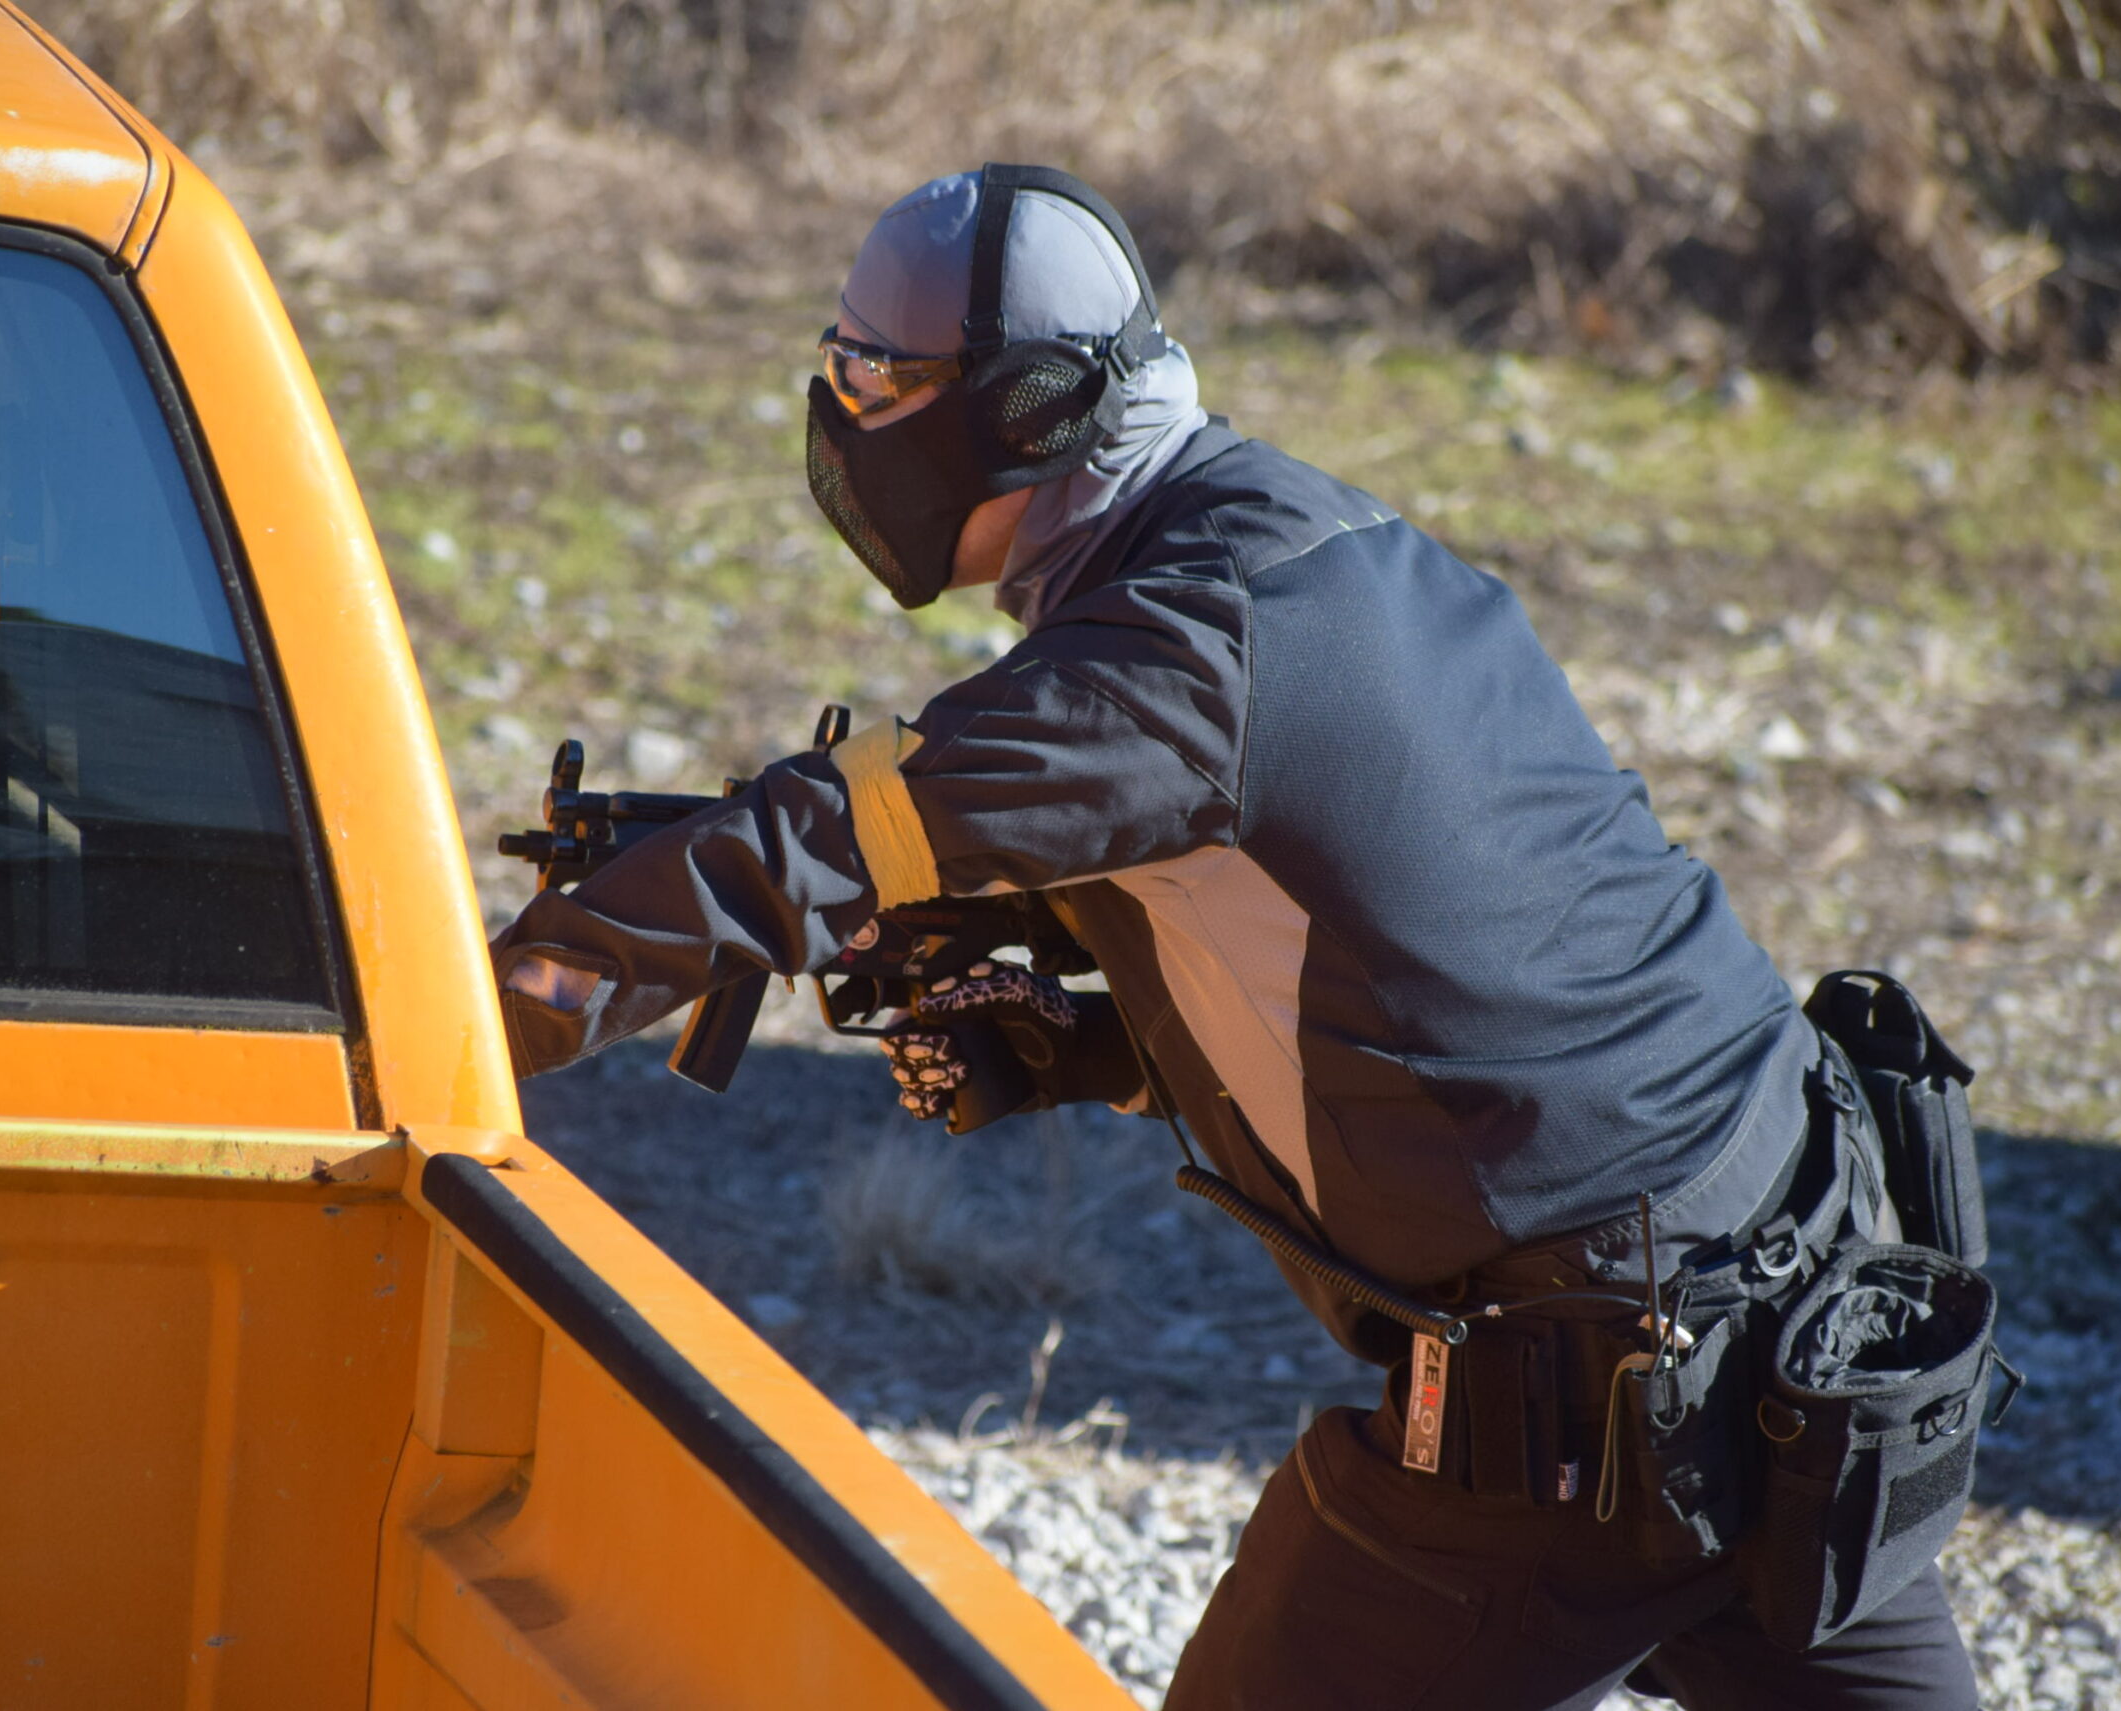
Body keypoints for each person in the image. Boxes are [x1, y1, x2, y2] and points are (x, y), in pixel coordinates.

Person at [491, 164, 1982, 1710]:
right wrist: (1097, 1048)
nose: (842, 415)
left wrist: (468, 1019)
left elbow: (807, 846)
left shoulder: (1179, 650)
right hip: (1800, 1313)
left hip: (1590, 1390)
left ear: (1022, 408)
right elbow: (1414, 962)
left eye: (877, 377)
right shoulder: (1304, 534)